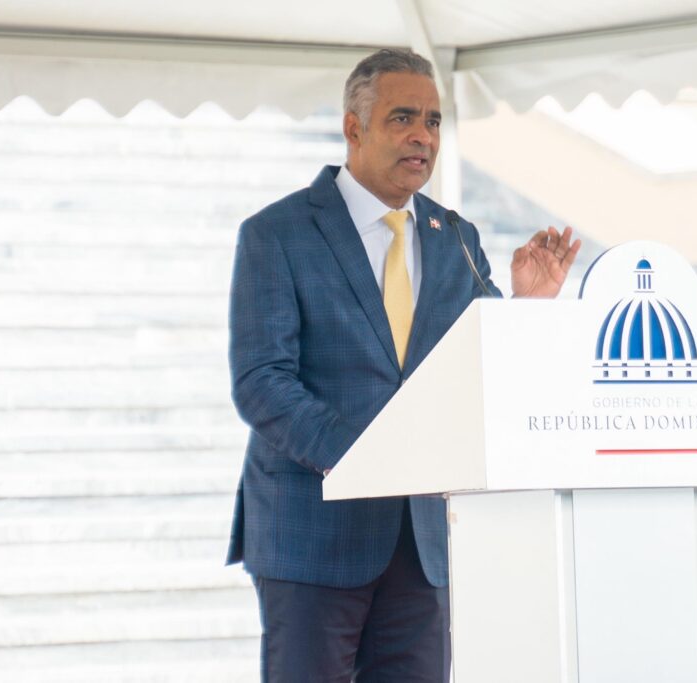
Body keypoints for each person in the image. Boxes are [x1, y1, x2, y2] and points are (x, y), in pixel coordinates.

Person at [226, 48, 581, 682]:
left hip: (422, 544)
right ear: (354, 128)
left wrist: (527, 306)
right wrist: (367, 458)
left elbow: (481, 365)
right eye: (403, 118)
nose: (423, 136)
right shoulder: (277, 233)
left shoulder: (458, 239)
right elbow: (262, 381)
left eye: (434, 121)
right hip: (313, 534)